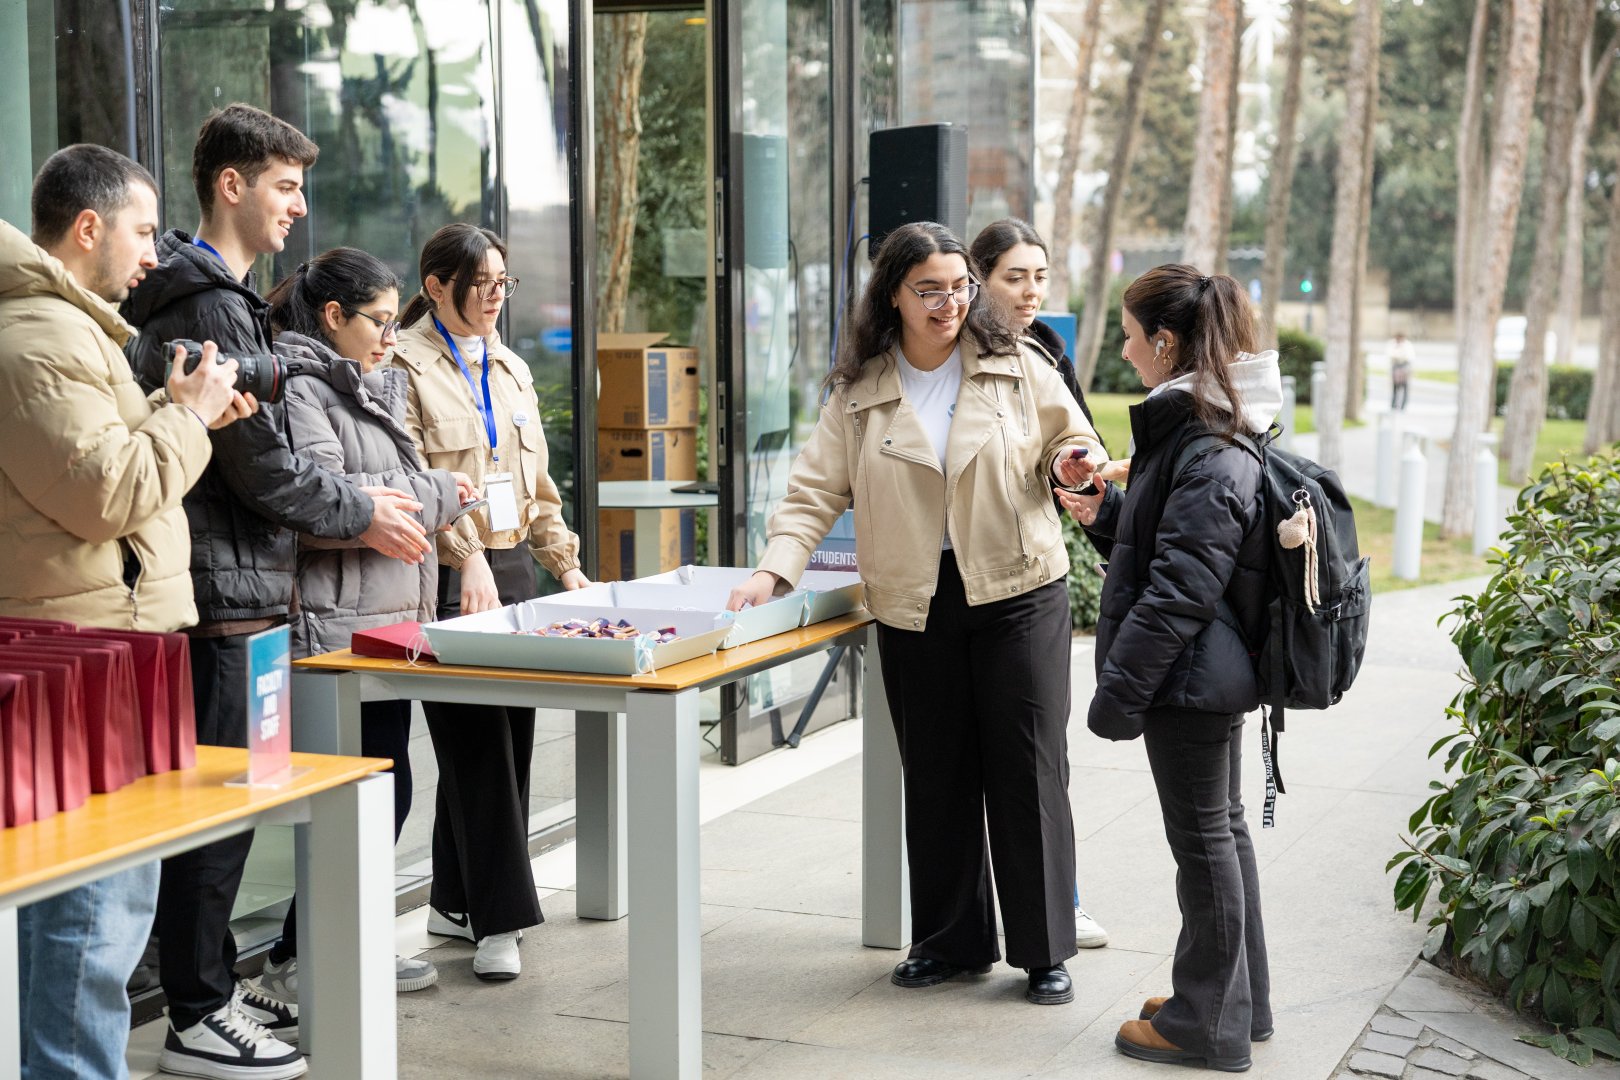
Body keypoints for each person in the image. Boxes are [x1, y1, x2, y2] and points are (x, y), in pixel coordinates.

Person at [121, 104, 433, 1079]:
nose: (299, 207)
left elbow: (276, 456)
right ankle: (196, 1015)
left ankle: (208, 995)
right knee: (217, 811)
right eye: (285, 186)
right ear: (232, 186)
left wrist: (341, 498)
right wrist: (359, 511)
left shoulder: (227, 298)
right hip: (225, 598)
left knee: (233, 802)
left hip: (246, 592)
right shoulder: (210, 304)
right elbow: (262, 467)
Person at [726, 221, 1105, 1005]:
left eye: (960, 287)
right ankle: (951, 942)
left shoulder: (1016, 365)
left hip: (1017, 591)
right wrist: (775, 569)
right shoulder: (860, 391)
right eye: (929, 290)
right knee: (937, 774)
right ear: (892, 295)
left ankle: (1043, 951)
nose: (949, 304)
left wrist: (1073, 463)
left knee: (1027, 769)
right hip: (912, 601)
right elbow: (812, 491)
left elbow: (1069, 438)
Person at [0, 144, 251, 1079]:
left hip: (106, 648)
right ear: (89, 227)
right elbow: (108, 493)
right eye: (145, 232)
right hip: (84, 656)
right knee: (93, 923)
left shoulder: (70, 332)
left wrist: (174, 412)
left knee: (98, 916)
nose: (155, 253)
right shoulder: (38, 340)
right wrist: (184, 415)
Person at [1062, 264, 1278, 1072]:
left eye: (1129, 333)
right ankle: (1232, 1002)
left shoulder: (1207, 438)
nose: (1123, 348)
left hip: (1190, 680)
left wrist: (1118, 695)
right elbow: (1171, 547)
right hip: (1203, 673)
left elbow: (1182, 588)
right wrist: (1103, 511)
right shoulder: (1202, 424)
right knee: (1219, 837)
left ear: (1164, 340)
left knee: (1206, 847)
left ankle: (1205, 1025)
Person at [253, 247, 476, 1002]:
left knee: (383, 792)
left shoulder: (362, 385)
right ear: (332, 317)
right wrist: (438, 490)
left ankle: (319, 945)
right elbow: (322, 498)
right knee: (367, 797)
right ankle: (304, 952)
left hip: (381, 623)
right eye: (379, 321)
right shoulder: (302, 390)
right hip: (335, 630)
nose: (391, 334)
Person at [393, 222, 590, 982]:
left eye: (504, 282)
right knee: (475, 749)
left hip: (512, 573)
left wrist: (563, 564)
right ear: (437, 286)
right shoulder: (402, 367)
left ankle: (454, 902)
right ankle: (500, 919)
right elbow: (409, 480)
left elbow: (534, 484)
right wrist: (463, 553)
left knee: (508, 747)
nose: (496, 296)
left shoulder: (508, 367)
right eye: (483, 283)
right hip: (446, 575)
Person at [971, 217, 1110, 951]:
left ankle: (1064, 906)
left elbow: (1077, 438)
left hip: (1033, 573)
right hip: (961, 581)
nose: (1030, 292)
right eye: (1014, 277)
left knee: (1038, 756)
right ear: (980, 276)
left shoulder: (1047, 352)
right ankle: (966, 924)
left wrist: (1078, 471)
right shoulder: (946, 355)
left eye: (1039, 276)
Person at [1389, 331, 1413, 411]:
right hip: (1396, 367)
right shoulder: (1392, 344)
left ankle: (1403, 405)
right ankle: (1394, 405)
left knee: (1404, 387)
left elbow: (1409, 357)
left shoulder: (1407, 345)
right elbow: (1390, 355)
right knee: (1395, 388)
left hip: (1404, 367)